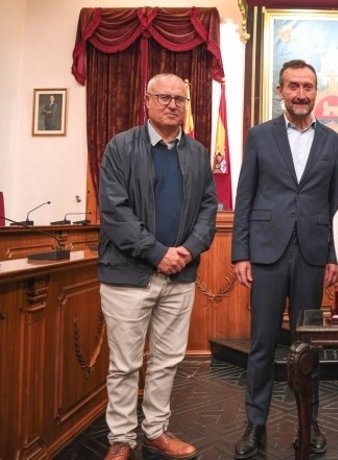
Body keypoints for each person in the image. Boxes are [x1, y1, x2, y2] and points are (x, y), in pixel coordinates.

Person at [98, 73, 218, 460]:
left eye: (179, 99)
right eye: (163, 98)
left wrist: (189, 249)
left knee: (167, 361)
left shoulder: (198, 153)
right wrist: (156, 252)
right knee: (124, 365)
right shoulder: (120, 147)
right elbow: (115, 213)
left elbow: (207, 208)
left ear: (186, 105)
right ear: (146, 101)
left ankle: (155, 431)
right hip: (127, 276)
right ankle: (120, 438)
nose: (172, 105)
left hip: (180, 275)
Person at [232, 59, 338, 459]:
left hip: (313, 253)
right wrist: (240, 252)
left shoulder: (332, 141)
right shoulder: (259, 136)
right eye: (293, 86)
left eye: (308, 87)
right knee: (263, 343)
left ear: (316, 92)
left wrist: (336, 256)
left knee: (308, 344)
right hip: (266, 251)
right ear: (280, 90)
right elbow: (244, 196)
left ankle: (308, 420)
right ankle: (255, 424)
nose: (301, 94)